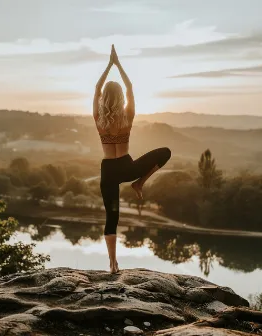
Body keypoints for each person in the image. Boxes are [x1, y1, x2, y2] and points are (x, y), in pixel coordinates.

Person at [93, 45, 171, 274]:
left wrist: (109, 65)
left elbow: (97, 88)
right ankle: (140, 182)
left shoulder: (98, 118)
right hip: (127, 167)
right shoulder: (128, 116)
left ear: (104, 98)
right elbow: (130, 87)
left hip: (108, 170)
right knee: (165, 152)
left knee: (112, 217)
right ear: (120, 98)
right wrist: (118, 64)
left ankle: (113, 264)